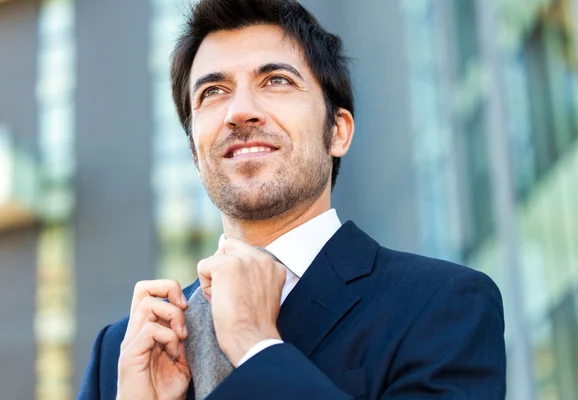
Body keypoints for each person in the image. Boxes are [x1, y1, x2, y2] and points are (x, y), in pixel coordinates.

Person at [78, 0, 506, 398]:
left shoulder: (443, 304)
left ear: (337, 131)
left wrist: (256, 346)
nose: (239, 111)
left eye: (276, 81)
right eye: (213, 92)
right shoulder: (122, 350)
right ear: (194, 149)